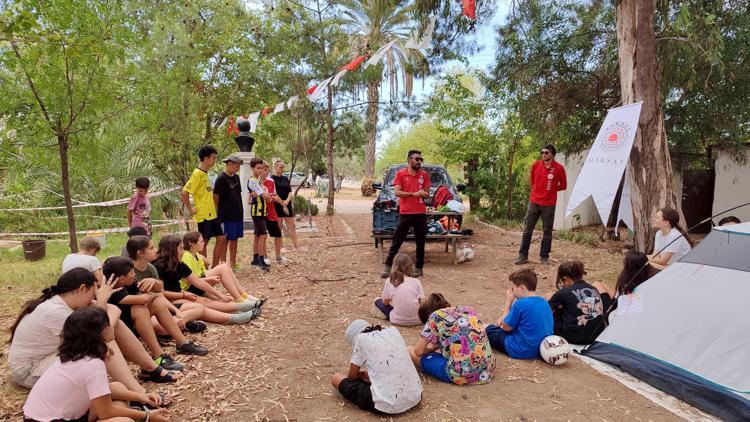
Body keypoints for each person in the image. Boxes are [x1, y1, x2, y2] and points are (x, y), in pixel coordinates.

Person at [8, 268, 178, 394]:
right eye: (94, 292)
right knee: (100, 342)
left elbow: (113, 310)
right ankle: (137, 393)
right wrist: (102, 304)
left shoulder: (68, 302)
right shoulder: (55, 311)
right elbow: (100, 332)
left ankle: (150, 368)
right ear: (82, 288)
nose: (94, 298)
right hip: (31, 371)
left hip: (49, 358)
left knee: (110, 326)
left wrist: (104, 310)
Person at [23, 307, 170, 422]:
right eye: (107, 324)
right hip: (50, 420)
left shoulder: (75, 355)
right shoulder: (92, 364)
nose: (112, 327)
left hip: (41, 416)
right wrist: (147, 415)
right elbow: (105, 412)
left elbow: (102, 391)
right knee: (123, 420)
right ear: (98, 333)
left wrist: (140, 397)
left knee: (118, 387)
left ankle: (134, 409)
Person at [121, 235, 209, 357]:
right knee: (162, 327)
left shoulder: (151, 268)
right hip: (133, 314)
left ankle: (182, 341)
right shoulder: (126, 271)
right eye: (151, 248)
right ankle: (176, 330)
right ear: (140, 253)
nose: (155, 250)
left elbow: (159, 293)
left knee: (199, 307)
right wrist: (180, 295)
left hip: (149, 308)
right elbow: (136, 299)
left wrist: (176, 310)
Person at [152, 234, 262, 325]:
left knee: (205, 301)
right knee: (203, 303)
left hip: (180, 294)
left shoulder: (179, 264)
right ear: (171, 250)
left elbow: (197, 281)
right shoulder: (159, 267)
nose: (182, 251)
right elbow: (161, 293)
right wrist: (183, 295)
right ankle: (236, 315)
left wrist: (218, 294)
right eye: (180, 248)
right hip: (170, 300)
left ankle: (241, 307)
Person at [330, 319, 422, 415]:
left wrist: (361, 375)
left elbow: (352, 377)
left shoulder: (361, 339)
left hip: (388, 405)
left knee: (336, 378)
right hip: (415, 396)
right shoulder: (393, 331)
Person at [408, 293, 495, 385]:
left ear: (427, 317)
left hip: (461, 375)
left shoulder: (434, 317)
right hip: (488, 368)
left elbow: (418, 351)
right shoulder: (467, 310)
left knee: (410, 350)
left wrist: (430, 348)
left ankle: (425, 367)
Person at [381, 150, 431, 278]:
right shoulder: (400, 174)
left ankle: (419, 268)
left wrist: (424, 194)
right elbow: (397, 192)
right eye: (417, 159)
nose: (419, 161)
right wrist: (413, 194)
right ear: (409, 160)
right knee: (397, 240)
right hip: (406, 212)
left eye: (421, 159)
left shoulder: (424, 175)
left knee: (420, 242)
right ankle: (388, 266)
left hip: (420, 212)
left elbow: (426, 193)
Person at [515, 144, 567, 265]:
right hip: (534, 202)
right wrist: (538, 191)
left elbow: (563, 185)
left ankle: (544, 257)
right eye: (542, 152)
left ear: (552, 154)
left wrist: (550, 190)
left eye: (546, 153)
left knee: (547, 231)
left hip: (549, 203)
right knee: (527, 229)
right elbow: (533, 181)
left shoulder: (559, 168)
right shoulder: (536, 165)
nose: (543, 155)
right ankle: (522, 256)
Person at [484, 268, 553, 359]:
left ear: (521, 288)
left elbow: (505, 327)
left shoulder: (520, 304)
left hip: (520, 350)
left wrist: (508, 303)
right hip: (540, 350)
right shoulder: (544, 302)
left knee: (485, 327)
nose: (512, 291)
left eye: (513, 288)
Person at [548, 261, 612, 345]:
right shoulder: (594, 289)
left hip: (572, 338)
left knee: (549, 299)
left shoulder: (563, 293)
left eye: (562, 281)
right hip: (595, 336)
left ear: (565, 279)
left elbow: (546, 310)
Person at [181, 145, 225, 267]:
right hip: (203, 215)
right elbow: (184, 193)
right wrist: (190, 209)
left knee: (221, 238)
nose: (215, 160)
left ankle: (215, 267)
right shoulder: (197, 174)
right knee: (203, 243)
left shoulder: (206, 174)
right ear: (206, 158)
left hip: (212, 213)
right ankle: (204, 270)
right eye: (213, 158)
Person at [371, 253, 425, 326]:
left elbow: (385, 302)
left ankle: (377, 302)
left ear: (394, 266)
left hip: (398, 320)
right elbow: (422, 303)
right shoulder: (416, 281)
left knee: (377, 300)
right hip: (418, 319)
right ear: (409, 267)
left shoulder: (390, 280)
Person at [213, 154, 244, 269]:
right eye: (236, 166)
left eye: (239, 167)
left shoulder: (236, 177)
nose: (238, 169)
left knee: (235, 238)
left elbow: (238, 194)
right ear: (229, 164)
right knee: (225, 239)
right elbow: (216, 196)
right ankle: (223, 263)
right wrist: (218, 210)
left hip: (237, 213)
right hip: (225, 215)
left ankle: (233, 263)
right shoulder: (221, 178)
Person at [271, 160, 303, 251]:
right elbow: (274, 193)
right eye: (281, 167)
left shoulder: (285, 178)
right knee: (279, 226)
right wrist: (282, 202)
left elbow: (289, 191)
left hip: (287, 204)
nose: (282, 169)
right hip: (277, 205)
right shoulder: (271, 179)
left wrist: (287, 201)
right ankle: (281, 247)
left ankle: (296, 245)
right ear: (275, 167)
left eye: (283, 167)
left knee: (292, 225)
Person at [247, 157, 272, 271]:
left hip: (261, 211)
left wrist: (263, 194)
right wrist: (264, 193)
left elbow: (266, 197)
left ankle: (255, 259)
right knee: (263, 235)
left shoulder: (258, 181)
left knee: (258, 235)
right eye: (258, 168)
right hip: (257, 211)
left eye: (262, 168)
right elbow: (265, 196)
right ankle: (261, 260)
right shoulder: (252, 181)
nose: (260, 170)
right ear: (252, 168)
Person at [263, 161, 286, 264]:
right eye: (263, 169)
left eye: (267, 169)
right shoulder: (256, 182)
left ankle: (278, 256)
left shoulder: (271, 181)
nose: (266, 171)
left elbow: (275, 195)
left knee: (278, 234)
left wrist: (281, 202)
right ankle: (264, 257)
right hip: (262, 213)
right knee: (263, 235)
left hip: (272, 212)